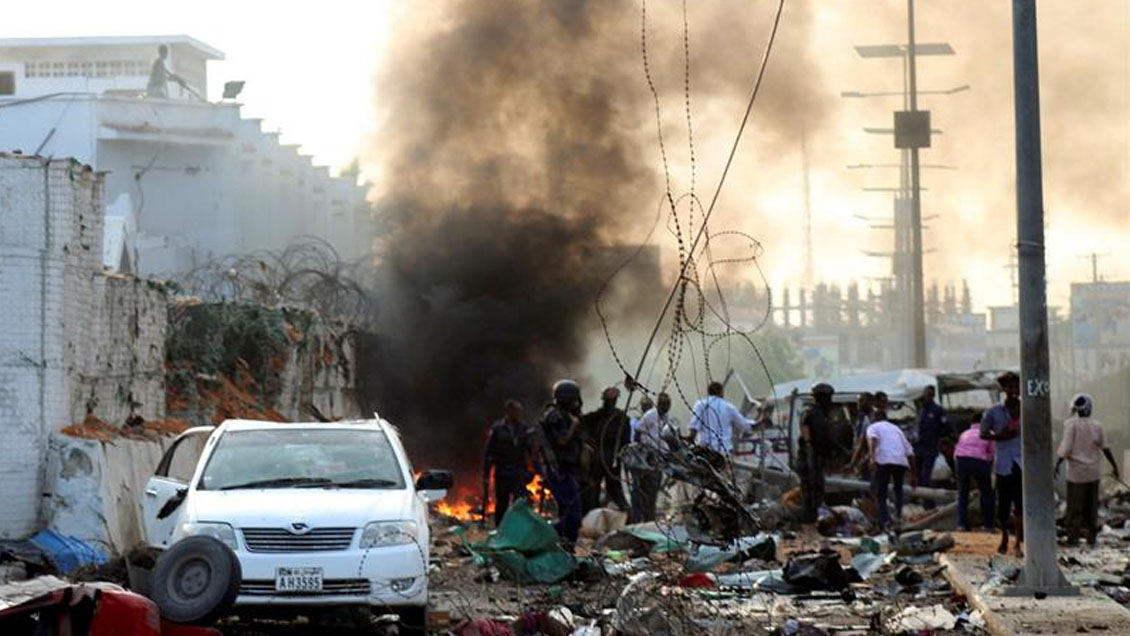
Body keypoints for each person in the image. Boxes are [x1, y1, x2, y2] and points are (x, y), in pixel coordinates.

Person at [1055, 394, 1120, 546]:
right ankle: (1091, 538)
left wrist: (1058, 463)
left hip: (1076, 475)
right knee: (1091, 507)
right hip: (1093, 473)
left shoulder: (1071, 424)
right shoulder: (1098, 426)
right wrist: (1114, 466)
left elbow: (1066, 447)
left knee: (1075, 508)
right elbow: (1106, 448)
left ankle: (1073, 537)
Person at [537, 379, 585, 549]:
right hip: (560, 470)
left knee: (568, 513)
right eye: (574, 399)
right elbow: (562, 441)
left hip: (565, 470)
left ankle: (565, 548)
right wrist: (574, 425)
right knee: (573, 516)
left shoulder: (560, 414)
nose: (577, 403)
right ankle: (541, 534)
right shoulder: (556, 416)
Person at [981, 372, 1023, 556]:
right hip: (1003, 464)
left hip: (1022, 464)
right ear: (1004, 389)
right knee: (1004, 505)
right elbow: (983, 434)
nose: (1013, 391)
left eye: (1016, 387)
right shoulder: (994, 412)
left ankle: (1018, 543)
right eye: (1010, 387)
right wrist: (1000, 436)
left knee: (1020, 504)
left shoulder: (1027, 410)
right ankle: (1005, 537)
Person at [580, 386, 631, 514]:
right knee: (599, 489)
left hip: (608, 458)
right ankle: (595, 515)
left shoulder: (621, 418)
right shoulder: (599, 417)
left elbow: (626, 442)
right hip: (602, 458)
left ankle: (624, 513)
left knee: (610, 488)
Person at [483, 400, 532, 526]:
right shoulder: (498, 428)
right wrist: (486, 475)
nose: (518, 414)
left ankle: (518, 529)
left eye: (519, 411)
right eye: (515, 411)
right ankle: (500, 529)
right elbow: (489, 452)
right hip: (502, 471)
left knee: (520, 503)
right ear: (508, 411)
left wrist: (532, 471)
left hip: (518, 471)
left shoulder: (524, 428)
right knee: (502, 503)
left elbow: (530, 450)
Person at [867, 409, 916, 530]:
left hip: (883, 460)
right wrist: (914, 474)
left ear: (874, 418)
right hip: (900, 461)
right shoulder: (896, 429)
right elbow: (910, 451)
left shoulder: (873, 427)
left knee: (881, 493)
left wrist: (872, 459)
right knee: (898, 490)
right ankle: (898, 516)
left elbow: (872, 440)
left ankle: (885, 522)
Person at [634, 392, 678, 522]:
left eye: (668, 405)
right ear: (659, 404)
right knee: (647, 488)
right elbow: (638, 431)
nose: (666, 407)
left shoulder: (666, 417)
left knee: (654, 489)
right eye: (664, 405)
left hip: (659, 456)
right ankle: (644, 517)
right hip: (648, 455)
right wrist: (641, 451)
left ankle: (649, 517)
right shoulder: (650, 415)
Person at [798, 383, 835, 523]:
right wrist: (810, 454)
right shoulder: (810, 413)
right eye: (828, 397)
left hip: (817, 457)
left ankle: (816, 517)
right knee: (810, 488)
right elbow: (807, 435)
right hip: (811, 456)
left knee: (817, 488)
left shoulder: (823, 415)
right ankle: (810, 519)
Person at [689, 381, 755, 456]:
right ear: (721, 392)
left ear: (708, 392)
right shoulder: (729, 407)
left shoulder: (700, 404)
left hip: (704, 450)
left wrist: (690, 439)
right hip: (723, 452)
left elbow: (694, 427)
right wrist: (760, 421)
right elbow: (745, 425)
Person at [954, 412, 994, 532]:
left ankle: (962, 524)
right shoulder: (989, 433)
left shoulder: (964, 434)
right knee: (986, 493)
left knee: (963, 492)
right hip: (979, 460)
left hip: (961, 459)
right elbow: (992, 453)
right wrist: (989, 471)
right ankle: (988, 525)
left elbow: (957, 451)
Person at [914, 386, 951, 508]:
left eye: (929, 394)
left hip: (930, 448)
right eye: (925, 394)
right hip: (918, 448)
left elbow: (947, 427)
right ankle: (924, 502)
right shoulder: (921, 411)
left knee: (926, 476)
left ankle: (929, 504)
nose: (926, 397)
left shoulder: (937, 410)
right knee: (919, 477)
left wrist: (939, 438)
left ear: (932, 395)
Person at [628, 395, 654, 523]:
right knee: (637, 489)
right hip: (639, 458)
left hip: (651, 458)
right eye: (645, 407)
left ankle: (648, 518)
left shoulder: (656, 421)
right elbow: (634, 439)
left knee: (650, 489)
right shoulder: (635, 422)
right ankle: (636, 518)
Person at [850, 392, 875, 480]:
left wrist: (864, 460)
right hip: (861, 457)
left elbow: (866, 441)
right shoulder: (861, 418)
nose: (858, 404)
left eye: (861, 401)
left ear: (870, 402)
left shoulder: (873, 419)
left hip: (868, 459)